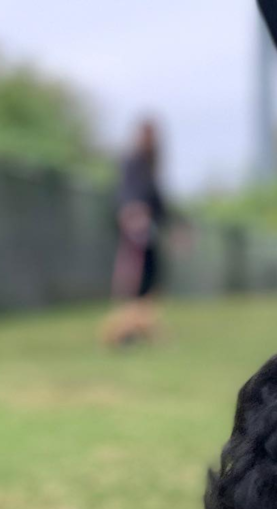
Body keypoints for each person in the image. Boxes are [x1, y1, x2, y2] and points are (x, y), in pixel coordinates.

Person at [101, 119, 168, 347]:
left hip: (149, 232)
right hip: (135, 231)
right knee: (133, 285)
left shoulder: (150, 164)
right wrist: (132, 213)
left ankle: (141, 327)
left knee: (149, 283)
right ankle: (122, 330)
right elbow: (126, 193)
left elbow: (159, 201)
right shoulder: (132, 162)